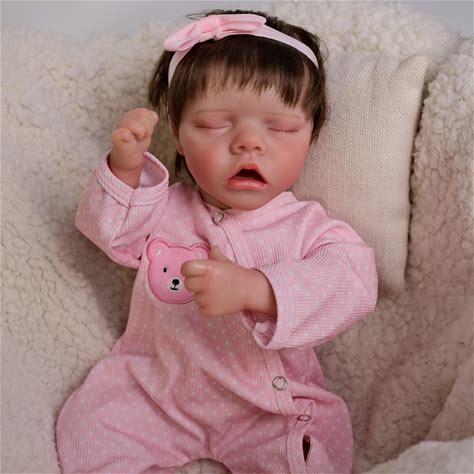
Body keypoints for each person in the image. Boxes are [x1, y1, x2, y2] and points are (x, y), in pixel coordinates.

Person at [56, 9, 378, 474]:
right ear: (178, 133)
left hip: (265, 406)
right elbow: (110, 232)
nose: (249, 143)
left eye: (280, 128)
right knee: (90, 428)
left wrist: (259, 290)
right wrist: (125, 169)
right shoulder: (163, 207)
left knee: (307, 457)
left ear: (311, 135)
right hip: (157, 391)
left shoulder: (305, 227)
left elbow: (354, 282)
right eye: (214, 125)